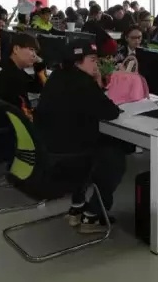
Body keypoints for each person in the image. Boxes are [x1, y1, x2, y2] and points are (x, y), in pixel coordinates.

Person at [35, 40, 123, 233]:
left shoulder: (57, 76)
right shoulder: (83, 83)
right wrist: (97, 82)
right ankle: (92, 216)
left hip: (48, 150)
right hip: (69, 155)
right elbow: (111, 112)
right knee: (114, 157)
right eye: (92, 60)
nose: (96, 64)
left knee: (96, 145)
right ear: (77, 62)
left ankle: (77, 207)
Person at [0, 33, 46, 164]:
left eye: (36, 52)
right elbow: (26, 114)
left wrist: (39, 67)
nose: (34, 56)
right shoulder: (13, 76)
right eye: (31, 50)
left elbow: (35, 87)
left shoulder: (4, 65)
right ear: (16, 49)